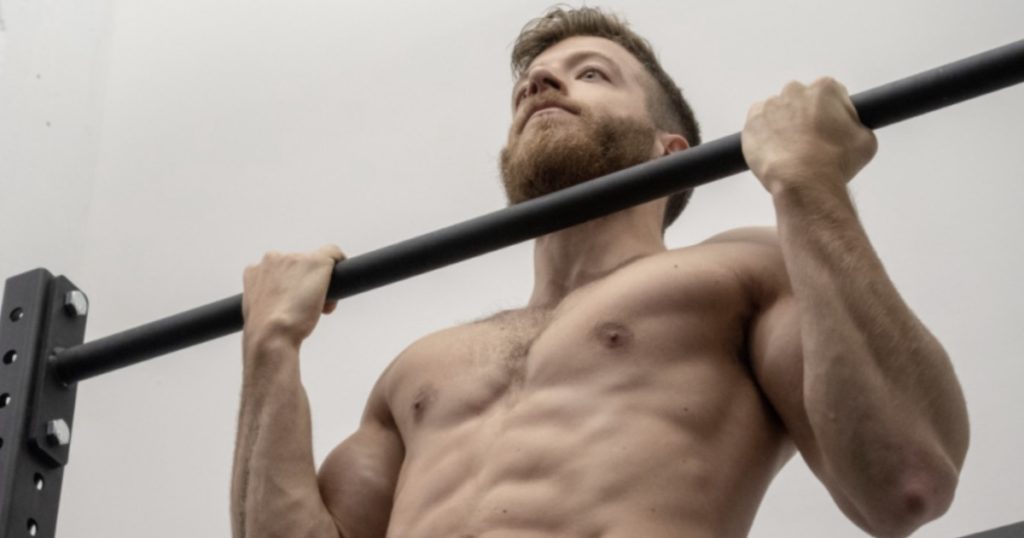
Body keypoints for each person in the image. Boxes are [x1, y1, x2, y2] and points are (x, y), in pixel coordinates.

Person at [231, 7, 969, 538]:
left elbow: (904, 482)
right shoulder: (418, 370)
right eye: (530, 85)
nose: (541, 87)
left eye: (589, 74)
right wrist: (271, 345)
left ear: (670, 149)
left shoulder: (738, 273)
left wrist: (807, 183)